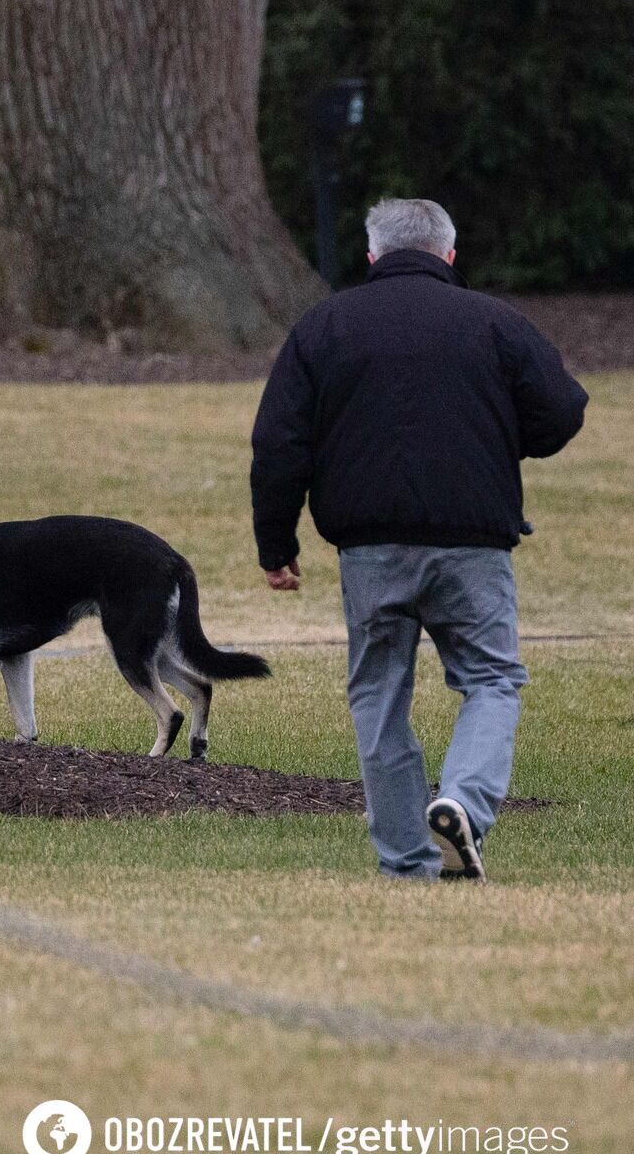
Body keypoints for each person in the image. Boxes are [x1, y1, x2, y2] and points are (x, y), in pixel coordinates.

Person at [250, 198, 588, 880]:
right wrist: (498, 439)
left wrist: (275, 543)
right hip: (474, 540)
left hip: (369, 546)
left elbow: (278, 444)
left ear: (371, 256)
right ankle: (463, 799)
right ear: (449, 255)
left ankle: (407, 862)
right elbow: (562, 408)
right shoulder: (494, 321)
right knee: (491, 677)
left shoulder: (325, 327)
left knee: (379, 691)